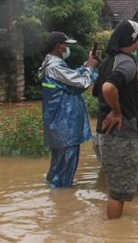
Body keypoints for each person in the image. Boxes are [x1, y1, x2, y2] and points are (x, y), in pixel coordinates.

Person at [94, 20, 138, 219]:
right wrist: (117, 111)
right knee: (117, 193)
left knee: (115, 188)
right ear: (131, 39)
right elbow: (108, 88)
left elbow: (98, 92)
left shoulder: (109, 61)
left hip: (104, 134)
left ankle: (115, 232)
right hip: (120, 136)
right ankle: (114, 238)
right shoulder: (126, 62)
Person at [38, 31, 98, 188]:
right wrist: (90, 69)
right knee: (64, 171)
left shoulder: (53, 66)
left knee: (58, 168)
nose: (67, 49)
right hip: (65, 128)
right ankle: (62, 202)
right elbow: (82, 82)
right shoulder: (55, 67)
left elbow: (71, 77)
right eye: (65, 45)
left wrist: (87, 65)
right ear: (58, 47)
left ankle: (57, 196)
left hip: (59, 127)